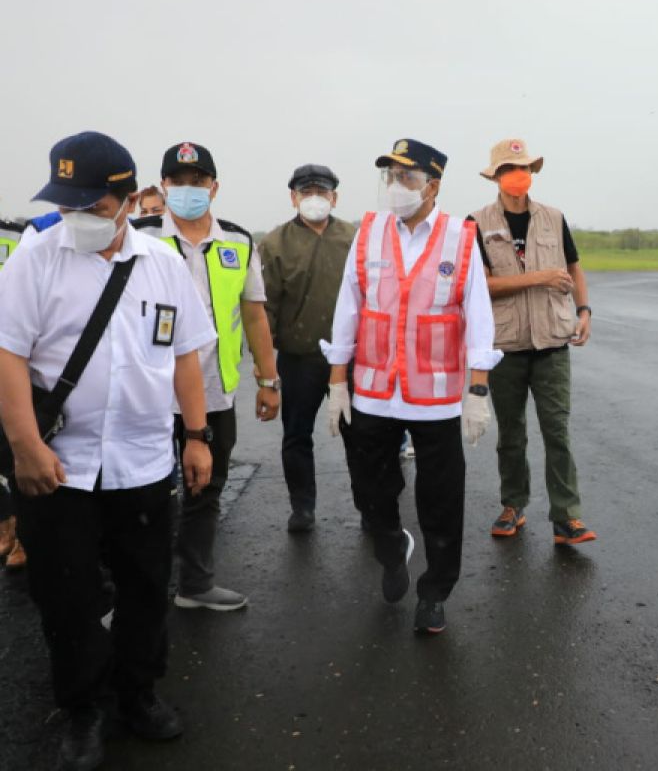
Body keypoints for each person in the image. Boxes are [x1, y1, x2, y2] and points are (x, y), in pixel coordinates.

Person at [0, 131, 215, 771]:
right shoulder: (35, 259)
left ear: (124, 200)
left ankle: (137, 693)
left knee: (147, 585)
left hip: (144, 461)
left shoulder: (162, 263)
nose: (77, 217)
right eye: (68, 203)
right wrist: (24, 446)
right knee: (64, 592)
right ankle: (84, 707)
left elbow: (185, 358)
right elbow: (8, 357)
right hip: (57, 465)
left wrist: (198, 437)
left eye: (91, 204)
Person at [322, 138, 500, 634]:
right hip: (374, 388)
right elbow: (349, 307)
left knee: (441, 500)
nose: (396, 188)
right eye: (391, 177)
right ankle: (390, 544)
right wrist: (338, 381)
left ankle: (435, 592)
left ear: (433, 185)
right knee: (370, 488)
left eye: (407, 178)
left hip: (437, 395)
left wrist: (478, 390)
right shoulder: (370, 232)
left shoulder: (461, 238)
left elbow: (479, 317)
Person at [132, 141, 280, 612]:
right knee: (142, 496)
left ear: (214, 187)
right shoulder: (139, 237)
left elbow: (254, 315)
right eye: (178, 182)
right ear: (164, 186)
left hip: (215, 391)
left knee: (205, 489)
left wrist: (267, 379)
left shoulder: (237, 241)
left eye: (198, 182)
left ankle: (195, 583)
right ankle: (138, 594)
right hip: (150, 393)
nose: (188, 190)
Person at [468, 138, 595, 545]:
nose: (516, 175)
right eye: (507, 169)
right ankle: (513, 505)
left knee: (557, 430)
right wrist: (538, 277)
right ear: (496, 177)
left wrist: (584, 310)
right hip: (506, 345)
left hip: (552, 342)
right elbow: (480, 286)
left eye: (521, 168)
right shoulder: (476, 223)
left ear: (532, 173)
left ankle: (567, 517)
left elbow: (573, 266)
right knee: (512, 432)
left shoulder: (554, 218)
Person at [259, 164, 359, 532]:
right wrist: (265, 365)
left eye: (322, 192)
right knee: (297, 434)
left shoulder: (354, 238)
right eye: (306, 192)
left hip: (351, 358)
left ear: (334, 197)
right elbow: (264, 307)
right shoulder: (274, 244)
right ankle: (302, 508)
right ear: (293, 197)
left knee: (359, 436)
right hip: (299, 359)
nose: (314, 199)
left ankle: (370, 508)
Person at [0, 218, 25, 570]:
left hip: (12, 363)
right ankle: (6, 521)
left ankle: (22, 532)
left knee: (14, 452)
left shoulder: (18, 237)